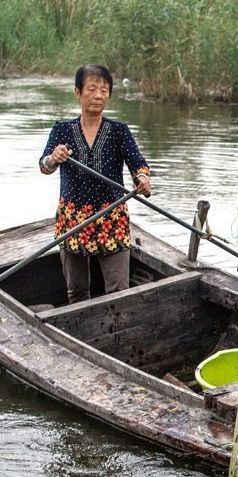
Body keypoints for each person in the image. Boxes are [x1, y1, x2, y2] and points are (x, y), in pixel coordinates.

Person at [39, 64, 152, 304]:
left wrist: (142, 179)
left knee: (119, 291)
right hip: (73, 220)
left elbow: (138, 164)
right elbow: (44, 166)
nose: (98, 95)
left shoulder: (119, 131)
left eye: (104, 90)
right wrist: (53, 158)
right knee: (77, 292)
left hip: (112, 218)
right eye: (92, 89)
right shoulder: (62, 131)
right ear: (78, 93)